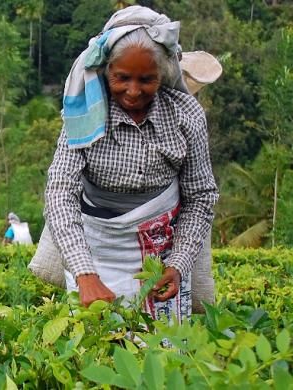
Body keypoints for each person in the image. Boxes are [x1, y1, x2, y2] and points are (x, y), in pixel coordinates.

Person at [44, 6, 218, 322]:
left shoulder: (185, 116)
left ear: (162, 74)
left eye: (146, 79)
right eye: (122, 78)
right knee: (95, 353)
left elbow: (201, 197)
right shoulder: (85, 114)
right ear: (106, 71)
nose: (134, 91)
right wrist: (85, 274)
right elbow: (60, 193)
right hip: (94, 250)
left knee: (163, 358)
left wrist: (177, 264)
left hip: (161, 259)